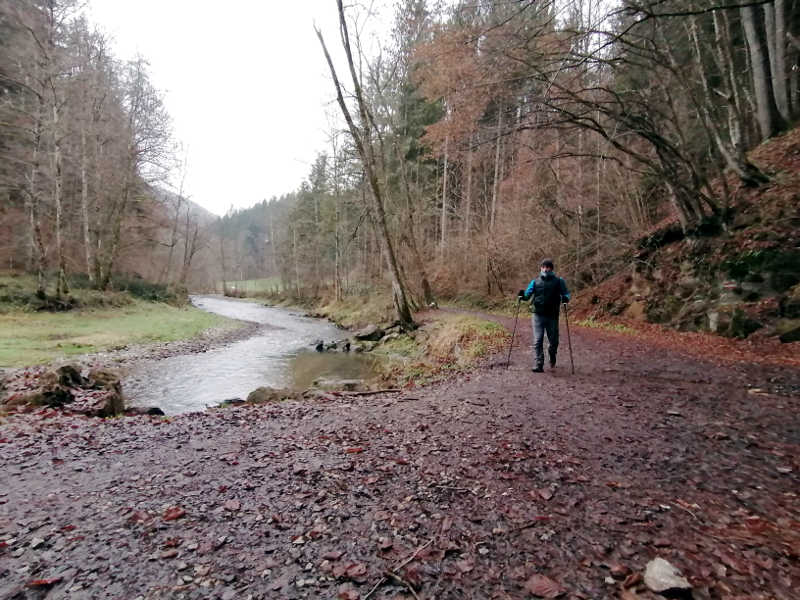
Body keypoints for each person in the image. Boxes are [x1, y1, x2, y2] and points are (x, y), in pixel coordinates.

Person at [517, 259, 570, 372]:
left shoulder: (559, 281)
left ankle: (552, 355)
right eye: (544, 267)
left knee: (553, 341)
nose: (546, 269)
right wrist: (522, 296)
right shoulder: (535, 282)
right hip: (538, 314)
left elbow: (566, 293)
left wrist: (566, 299)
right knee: (538, 340)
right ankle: (538, 363)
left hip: (552, 315)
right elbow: (527, 295)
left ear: (552, 269)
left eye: (548, 267)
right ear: (541, 268)